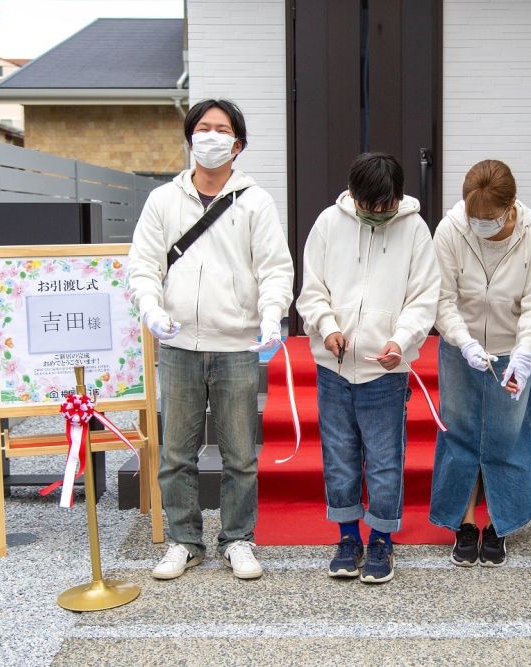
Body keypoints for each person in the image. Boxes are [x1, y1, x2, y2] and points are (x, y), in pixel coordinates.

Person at [128, 99, 294, 580]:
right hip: (178, 342)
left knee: (239, 452)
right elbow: (143, 264)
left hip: (237, 343)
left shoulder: (255, 201)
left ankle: (238, 539)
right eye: (204, 128)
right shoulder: (163, 200)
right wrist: (151, 308)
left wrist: (270, 317)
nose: (212, 136)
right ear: (190, 137)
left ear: (237, 144)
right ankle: (184, 541)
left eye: (222, 129)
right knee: (176, 451)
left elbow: (275, 270)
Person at [296, 152, 439, 584]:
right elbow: (312, 289)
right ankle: (346, 537)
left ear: (397, 198)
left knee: (384, 459)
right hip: (334, 365)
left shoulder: (415, 229)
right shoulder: (327, 223)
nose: (377, 214)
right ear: (353, 195)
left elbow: (423, 297)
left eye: (385, 207)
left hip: (385, 370)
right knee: (339, 456)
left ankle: (380, 540)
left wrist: (401, 340)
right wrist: (326, 326)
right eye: (368, 207)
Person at [429, 159, 531, 567]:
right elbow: (442, 298)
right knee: (460, 432)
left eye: (489, 218)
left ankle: (500, 523)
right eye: (474, 217)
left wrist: (524, 352)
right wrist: (463, 342)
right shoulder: (451, 229)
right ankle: (465, 523)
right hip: (460, 346)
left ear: (510, 206)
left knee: (509, 435)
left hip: (512, 347)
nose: (480, 224)